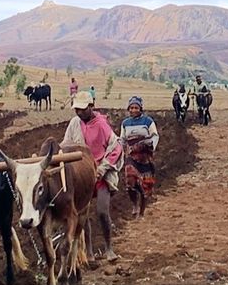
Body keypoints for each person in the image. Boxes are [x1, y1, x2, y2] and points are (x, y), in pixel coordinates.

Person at [62, 92, 123, 261]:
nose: (79, 113)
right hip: (83, 174)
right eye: (77, 110)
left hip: (101, 174)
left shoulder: (102, 124)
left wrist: (102, 169)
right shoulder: (75, 123)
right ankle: (88, 252)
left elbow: (115, 147)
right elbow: (66, 144)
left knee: (102, 211)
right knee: (83, 213)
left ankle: (108, 248)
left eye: (83, 109)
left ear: (91, 107)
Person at [119, 96, 160, 217]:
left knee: (145, 186)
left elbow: (155, 136)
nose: (133, 110)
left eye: (136, 107)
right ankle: (135, 205)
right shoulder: (125, 123)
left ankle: (142, 211)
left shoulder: (148, 121)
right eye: (131, 108)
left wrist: (150, 144)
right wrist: (119, 151)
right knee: (130, 179)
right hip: (132, 156)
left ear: (141, 108)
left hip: (145, 157)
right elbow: (122, 139)